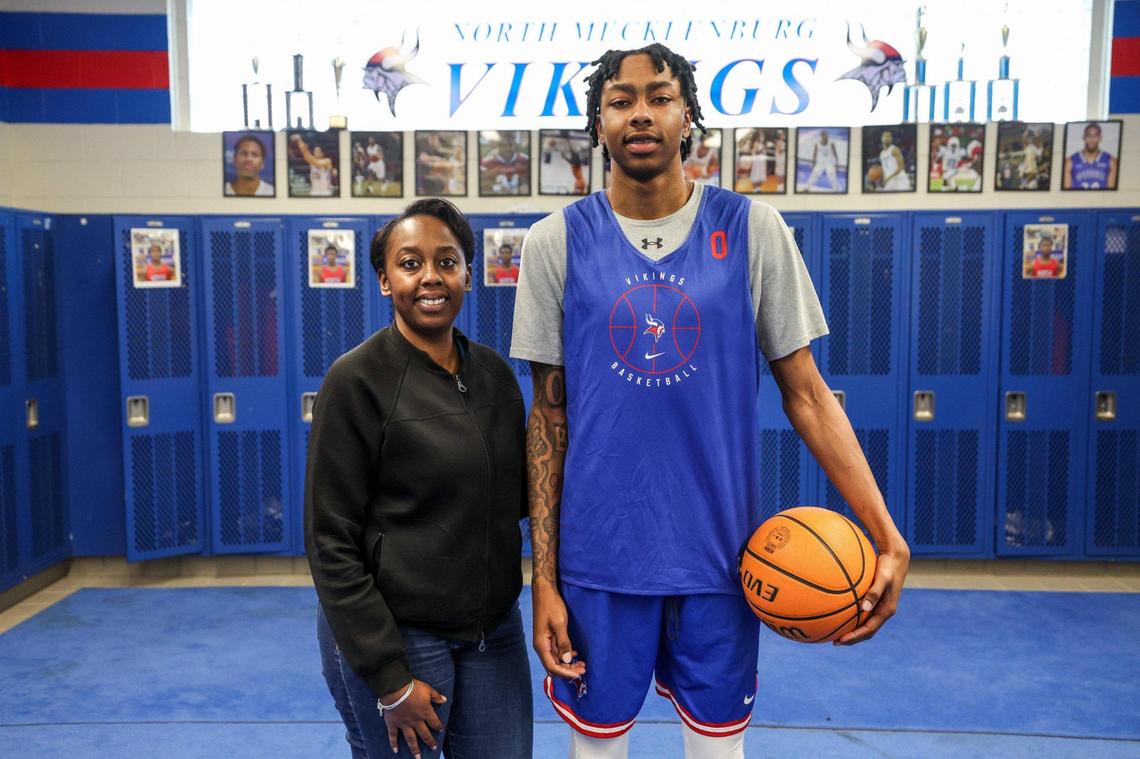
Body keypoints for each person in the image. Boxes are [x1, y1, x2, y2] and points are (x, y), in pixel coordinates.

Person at [511, 43, 909, 759]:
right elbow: (549, 418)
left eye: (659, 97)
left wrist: (886, 532)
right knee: (596, 749)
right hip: (600, 559)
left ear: (687, 115)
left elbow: (810, 395)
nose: (640, 113)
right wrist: (542, 578)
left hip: (726, 558)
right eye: (621, 99)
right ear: (597, 123)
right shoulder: (553, 243)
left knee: (719, 749)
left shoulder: (755, 230)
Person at [306, 198, 533, 759]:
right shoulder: (356, 380)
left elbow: (517, 501)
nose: (430, 277)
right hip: (399, 635)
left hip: (492, 633)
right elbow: (330, 541)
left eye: (447, 261)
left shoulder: (495, 376)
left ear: (468, 276)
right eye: (410, 263)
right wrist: (389, 677)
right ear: (385, 281)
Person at [1064, 122, 1118, 190]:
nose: (1092, 139)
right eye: (1089, 135)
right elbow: (1066, 192)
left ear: (1100, 138)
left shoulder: (1111, 161)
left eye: (1095, 136)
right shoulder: (1070, 161)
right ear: (1084, 137)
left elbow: (1111, 194)